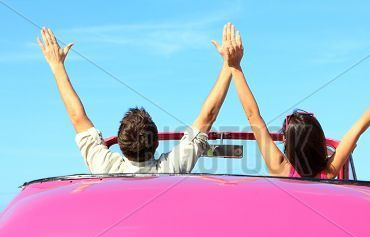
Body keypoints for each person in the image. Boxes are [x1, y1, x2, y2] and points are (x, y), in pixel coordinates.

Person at [223, 23, 370, 179]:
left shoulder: (279, 167)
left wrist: (235, 66)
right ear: (319, 140)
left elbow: (253, 116)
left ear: (286, 141)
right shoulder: (329, 170)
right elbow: (358, 128)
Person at [37, 25, 234, 174]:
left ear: (121, 147)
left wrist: (57, 66)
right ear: (156, 143)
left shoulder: (106, 168)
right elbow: (208, 116)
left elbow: (77, 118)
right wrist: (230, 64)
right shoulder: (169, 169)